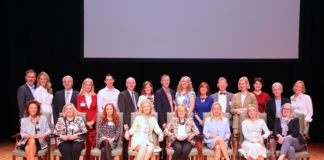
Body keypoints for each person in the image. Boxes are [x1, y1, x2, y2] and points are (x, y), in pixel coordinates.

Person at [265, 82, 290, 160]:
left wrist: (282, 128)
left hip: (286, 127)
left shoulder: (287, 101)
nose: (276, 91)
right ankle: (273, 157)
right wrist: (276, 128)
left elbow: (289, 115)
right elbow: (268, 117)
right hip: (273, 127)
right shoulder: (269, 102)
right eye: (274, 89)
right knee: (272, 139)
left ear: (281, 90)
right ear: (272, 91)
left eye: (278, 89)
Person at [154, 74, 175, 160]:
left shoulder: (172, 91)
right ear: (161, 82)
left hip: (172, 118)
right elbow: (159, 108)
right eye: (165, 80)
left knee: (171, 139)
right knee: (163, 140)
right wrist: (163, 122)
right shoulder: (158, 92)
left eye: (168, 80)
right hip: (164, 120)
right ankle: (163, 157)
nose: (166, 82)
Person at [118, 77, 139, 160]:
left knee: (134, 143)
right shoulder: (122, 94)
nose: (131, 84)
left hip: (136, 122)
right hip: (128, 123)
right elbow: (122, 111)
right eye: (129, 83)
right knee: (127, 144)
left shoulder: (136, 94)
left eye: (133, 83)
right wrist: (125, 123)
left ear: (135, 84)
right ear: (126, 84)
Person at [77, 78, 98, 160]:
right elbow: (79, 110)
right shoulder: (79, 96)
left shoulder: (95, 95)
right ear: (83, 85)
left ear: (92, 86)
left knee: (94, 143)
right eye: (86, 84)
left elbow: (96, 109)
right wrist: (86, 122)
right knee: (87, 143)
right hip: (83, 122)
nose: (88, 86)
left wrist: (93, 121)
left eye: (89, 85)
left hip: (94, 122)